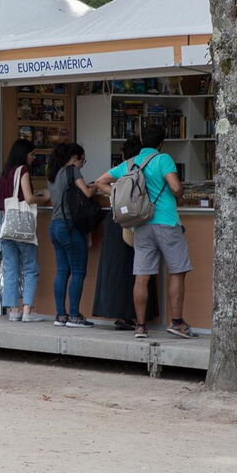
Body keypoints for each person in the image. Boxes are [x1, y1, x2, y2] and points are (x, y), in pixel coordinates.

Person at [95, 125, 192, 339]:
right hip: (166, 221)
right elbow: (175, 187)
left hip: (140, 224)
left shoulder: (130, 163)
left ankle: (140, 326)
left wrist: (119, 197)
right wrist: (181, 194)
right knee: (177, 270)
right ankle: (177, 322)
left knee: (142, 275)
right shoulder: (163, 159)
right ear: (161, 143)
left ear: (141, 141)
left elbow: (100, 182)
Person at [92, 137, 159, 329]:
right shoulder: (144, 170)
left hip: (116, 220)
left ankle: (118, 312)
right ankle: (134, 315)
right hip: (137, 221)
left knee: (117, 268)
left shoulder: (121, 169)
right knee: (137, 268)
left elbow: (99, 183)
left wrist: (115, 193)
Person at [47, 142, 96, 328]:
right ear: (75, 157)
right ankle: (74, 315)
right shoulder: (72, 171)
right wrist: (97, 185)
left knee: (62, 272)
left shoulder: (53, 173)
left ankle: (61, 315)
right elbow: (87, 193)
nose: (83, 163)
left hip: (55, 226)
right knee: (78, 272)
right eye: (83, 159)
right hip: (69, 227)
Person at [0, 139, 46, 322]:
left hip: (6, 225)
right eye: (32, 154)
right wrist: (44, 197)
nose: (34, 158)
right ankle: (28, 310)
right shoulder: (22, 170)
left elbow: (0, 204)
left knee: (10, 268)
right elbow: (29, 198)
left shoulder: (4, 174)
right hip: (23, 227)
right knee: (30, 267)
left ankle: (13, 310)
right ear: (24, 154)